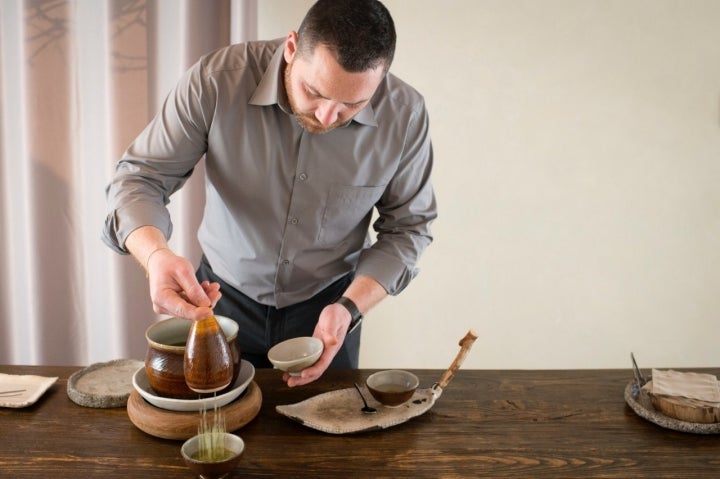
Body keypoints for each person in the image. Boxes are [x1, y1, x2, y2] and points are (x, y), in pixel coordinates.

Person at [102, 0, 437, 387]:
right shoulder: (216, 80)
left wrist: (349, 306)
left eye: (353, 104)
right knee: (218, 433)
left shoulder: (405, 115)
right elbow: (140, 178)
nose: (328, 117)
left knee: (327, 442)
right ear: (291, 49)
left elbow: (410, 230)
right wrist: (155, 256)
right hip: (220, 300)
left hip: (330, 310)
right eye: (314, 92)